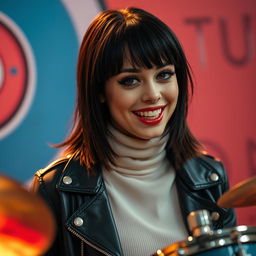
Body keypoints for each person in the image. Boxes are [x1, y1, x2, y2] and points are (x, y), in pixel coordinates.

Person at [30, 7, 236, 256]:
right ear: (99, 90)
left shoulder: (210, 178)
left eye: (164, 75)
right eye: (131, 80)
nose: (153, 95)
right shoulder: (55, 190)